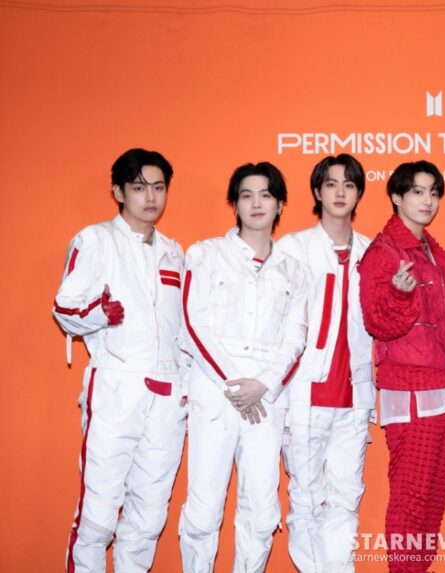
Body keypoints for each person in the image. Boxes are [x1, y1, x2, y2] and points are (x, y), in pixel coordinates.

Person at [54, 148, 187, 573]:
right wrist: (99, 312)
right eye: (139, 187)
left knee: (148, 516)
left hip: (168, 393)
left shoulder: (174, 251)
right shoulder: (94, 240)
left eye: (159, 188)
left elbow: (184, 326)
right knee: (98, 514)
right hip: (116, 384)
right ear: (118, 192)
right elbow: (64, 307)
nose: (150, 197)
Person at [178, 161, 308, 572]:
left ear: (280, 204)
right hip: (216, 392)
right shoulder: (205, 254)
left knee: (262, 511)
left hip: (266, 398)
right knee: (203, 511)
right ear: (234, 204)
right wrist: (236, 385)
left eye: (266, 195)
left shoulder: (294, 270)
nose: (256, 204)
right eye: (246, 195)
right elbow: (192, 324)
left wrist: (262, 385)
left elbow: (296, 338)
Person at [358, 160, 445, 572]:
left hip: (442, 390)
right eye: (417, 192)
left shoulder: (434, 252)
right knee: (411, 500)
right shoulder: (384, 253)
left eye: (433, 192)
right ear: (396, 197)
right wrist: (398, 294)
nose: (427, 201)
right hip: (409, 389)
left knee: (432, 502)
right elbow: (378, 323)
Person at [277, 154, 375, 572]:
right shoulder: (293, 247)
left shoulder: (372, 252)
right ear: (317, 192)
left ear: (358, 194)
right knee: (306, 498)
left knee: (345, 497)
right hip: (305, 392)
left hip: (354, 395)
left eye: (349, 185)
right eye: (331, 184)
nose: (340, 192)